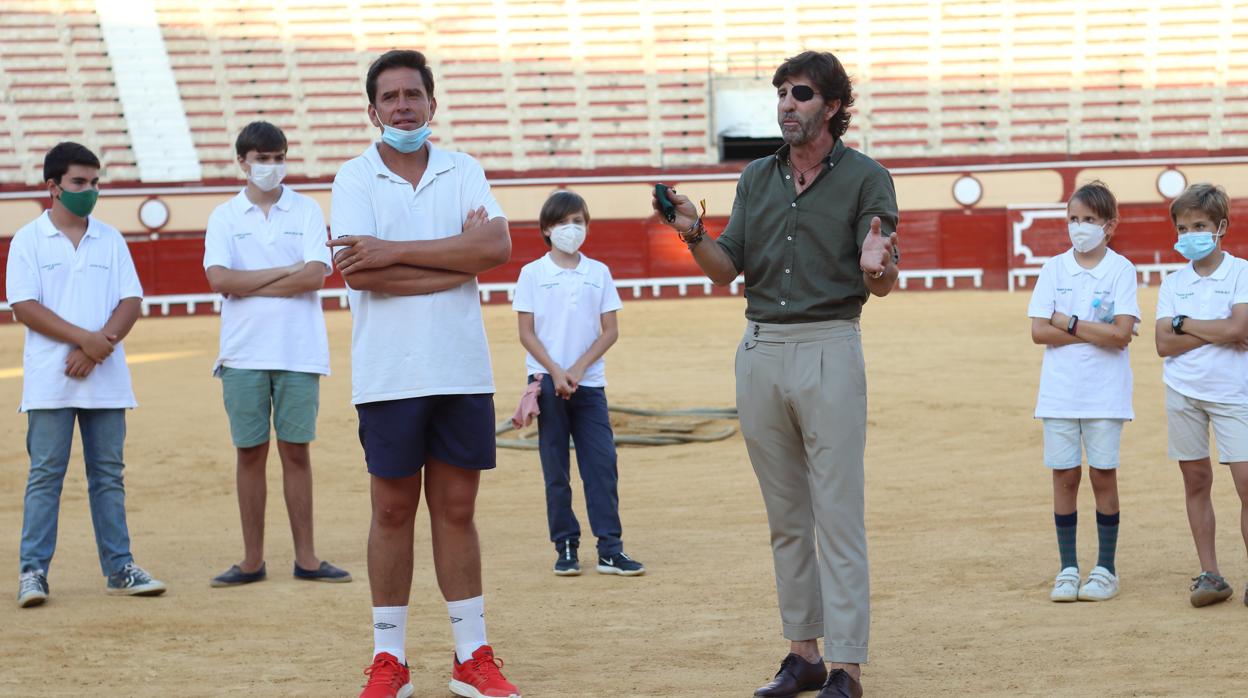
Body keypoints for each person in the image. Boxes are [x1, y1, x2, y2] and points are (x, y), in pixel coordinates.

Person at [652, 51, 897, 698]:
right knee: (787, 516)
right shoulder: (756, 178)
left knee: (838, 516)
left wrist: (877, 266)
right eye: (781, 93)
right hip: (760, 349)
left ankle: (847, 666)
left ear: (834, 107)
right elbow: (724, 267)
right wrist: (691, 232)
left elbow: (883, 280)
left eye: (802, 93)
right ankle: (804, 654)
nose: (787, 103)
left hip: (829, 346)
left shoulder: (868, 178)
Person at [327, 50, 520, 698]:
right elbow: (359, 272)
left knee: (458, 508)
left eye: (414, 94)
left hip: (459, 367)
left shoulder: (464, 169)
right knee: (390, 510)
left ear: (432, 105)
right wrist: (453, 263)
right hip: (387, 373)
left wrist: (396, 252)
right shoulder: (354, 178)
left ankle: (472, 654)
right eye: (391, 97)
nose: (403, 105)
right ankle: (390, 659)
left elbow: (494, 248)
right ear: (374, 110)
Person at [7, 142, 166, 608]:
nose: (89, 191)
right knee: (46, 474)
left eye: (94, 183)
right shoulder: (28, 240)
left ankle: (120, 567)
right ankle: (33, 571)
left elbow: (131, 301)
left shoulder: (110, 239)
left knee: (108, 475)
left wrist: (98, 348)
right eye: (79, 183)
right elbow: (24, 307)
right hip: (51, 378)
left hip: (104, 377)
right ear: (52, 187)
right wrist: (88, 341)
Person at [202, 121, 350, 588]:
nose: (270, 166)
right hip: (244, 353)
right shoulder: (225, 216)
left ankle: (306, 557)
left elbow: (314, 277)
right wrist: (284, 270)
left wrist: (255, 281)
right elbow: (220, 281)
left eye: (277, 157)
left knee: (296, 452)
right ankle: (252, 560)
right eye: (261, 158)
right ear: (242, 161)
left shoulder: (305, 209)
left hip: (298, 351)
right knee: (250, 453)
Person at [511, 190, 643, 578]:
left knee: (601, 466)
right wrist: (556, 371)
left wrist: (578, 370)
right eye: (563, 223)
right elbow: (526, 332)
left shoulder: (597, 272)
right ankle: (565, 545)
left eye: (578, 222)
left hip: (588, 384)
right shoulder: (532, 273)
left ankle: (610, 549)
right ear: (546, 230)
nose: (572, 229)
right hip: (546, 382)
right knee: (556, 469)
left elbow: (610, 330)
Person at [1026, 181, 1137, 603]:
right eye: (1073, 218)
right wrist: (1097, 333)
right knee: (1065, 476)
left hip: (1105, 393)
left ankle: (1105, 568)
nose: (1079, 227)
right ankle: (1068, 568)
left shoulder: (1121, 269)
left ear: (1109, 225)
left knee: (1102, 475)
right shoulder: (1054, 268)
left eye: (1089, 220)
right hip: (1059, 392)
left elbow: (1121, 335)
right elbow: (1038, 331)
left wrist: (1067, 323)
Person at [1154, 182, 1248, 608]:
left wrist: (1184, 323)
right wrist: (1216, 329)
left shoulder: (1242, 271)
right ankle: (1210, 574)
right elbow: (1162, 344)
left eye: (1199, 225)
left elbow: (1238, 330)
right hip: (1183, 391)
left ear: (1220, 227)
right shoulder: (1173, 282)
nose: (1189, 233)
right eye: (1183, 226)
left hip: (1235, 392)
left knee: (1247, 484)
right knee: (1196, 480)